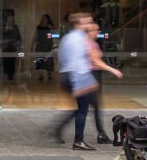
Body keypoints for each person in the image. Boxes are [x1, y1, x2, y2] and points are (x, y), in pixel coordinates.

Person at [52, 13, 122, 150]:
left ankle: (69, 133)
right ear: (79, 24)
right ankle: (79, 140)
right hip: (77, 76)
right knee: (83, 109)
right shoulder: (79, 39)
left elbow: (63, 58)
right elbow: (78, 63)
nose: (90, 24)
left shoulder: (68, 37)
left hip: (68, 75)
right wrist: (81, 83)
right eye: (87, 22)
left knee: (82, 108)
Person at [0, 12, 22, 82]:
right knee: (6, 61)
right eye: (9, 18)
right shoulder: (4, 27)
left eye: (12, 18)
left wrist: (19, 46)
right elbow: (2, 37)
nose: (11, 20)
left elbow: (18, 37)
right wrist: (6, 30)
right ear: (7, 19)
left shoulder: (15, 27)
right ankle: (6, 73)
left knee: (12, 61)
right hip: (6, 47)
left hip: (13, 47)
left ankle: (11, 76)